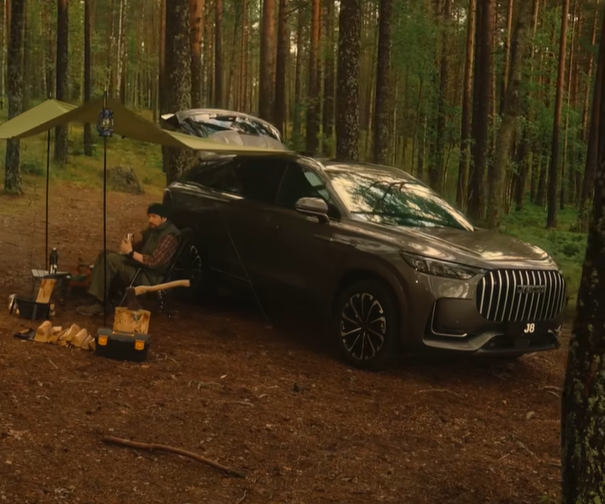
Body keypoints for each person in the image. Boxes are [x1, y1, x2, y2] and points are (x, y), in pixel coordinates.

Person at [76, 203, 180, 316]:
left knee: (110, 260)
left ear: (164, 218)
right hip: (141, 267)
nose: (150, 220)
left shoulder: (169, 237)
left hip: (150, 276)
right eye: (149, 216)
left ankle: (99, 304)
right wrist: (130, 246)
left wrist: (130, 252)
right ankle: (96, 297)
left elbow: (153, 261)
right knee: (105, 254)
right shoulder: (154, 230)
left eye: (154, 216)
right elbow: (141, 249)